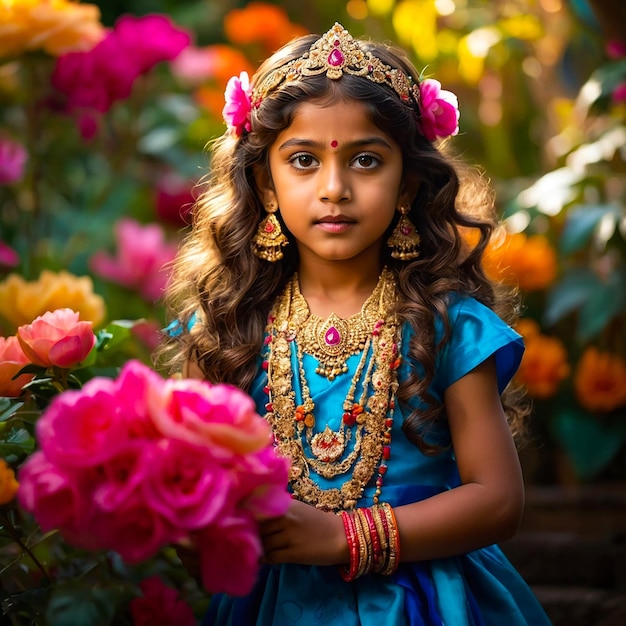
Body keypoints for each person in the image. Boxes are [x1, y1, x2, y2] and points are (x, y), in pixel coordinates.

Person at [161, 22, 552, 626]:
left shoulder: (446, 324)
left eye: (366, 160)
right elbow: (188, 488)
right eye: (303, 161)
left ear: (408, 184)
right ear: (265, 183)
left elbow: (498, 500)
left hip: (427, 602)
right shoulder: (226, 327)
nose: (335, 188)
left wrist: (347, 537)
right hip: (271, 603)